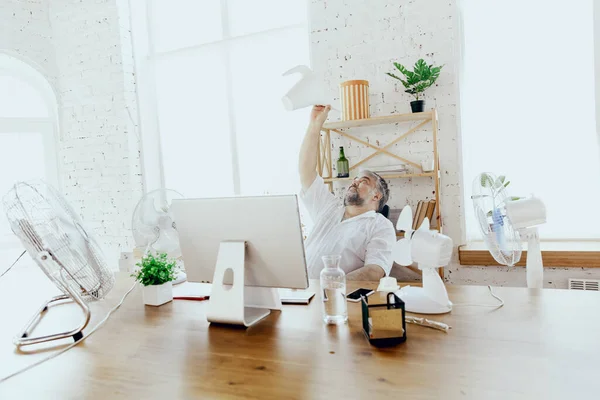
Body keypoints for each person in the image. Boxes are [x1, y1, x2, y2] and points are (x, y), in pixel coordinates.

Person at [299, 105, 397, 280]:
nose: (355, 182)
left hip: (335, 298)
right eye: (355, 179)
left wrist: (330, 286)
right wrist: (314, 126)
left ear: (376, 196)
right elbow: (306, 171)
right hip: (297, 293)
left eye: (363, 181)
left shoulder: (379, 226)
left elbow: (375, 271)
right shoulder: (329, 207)